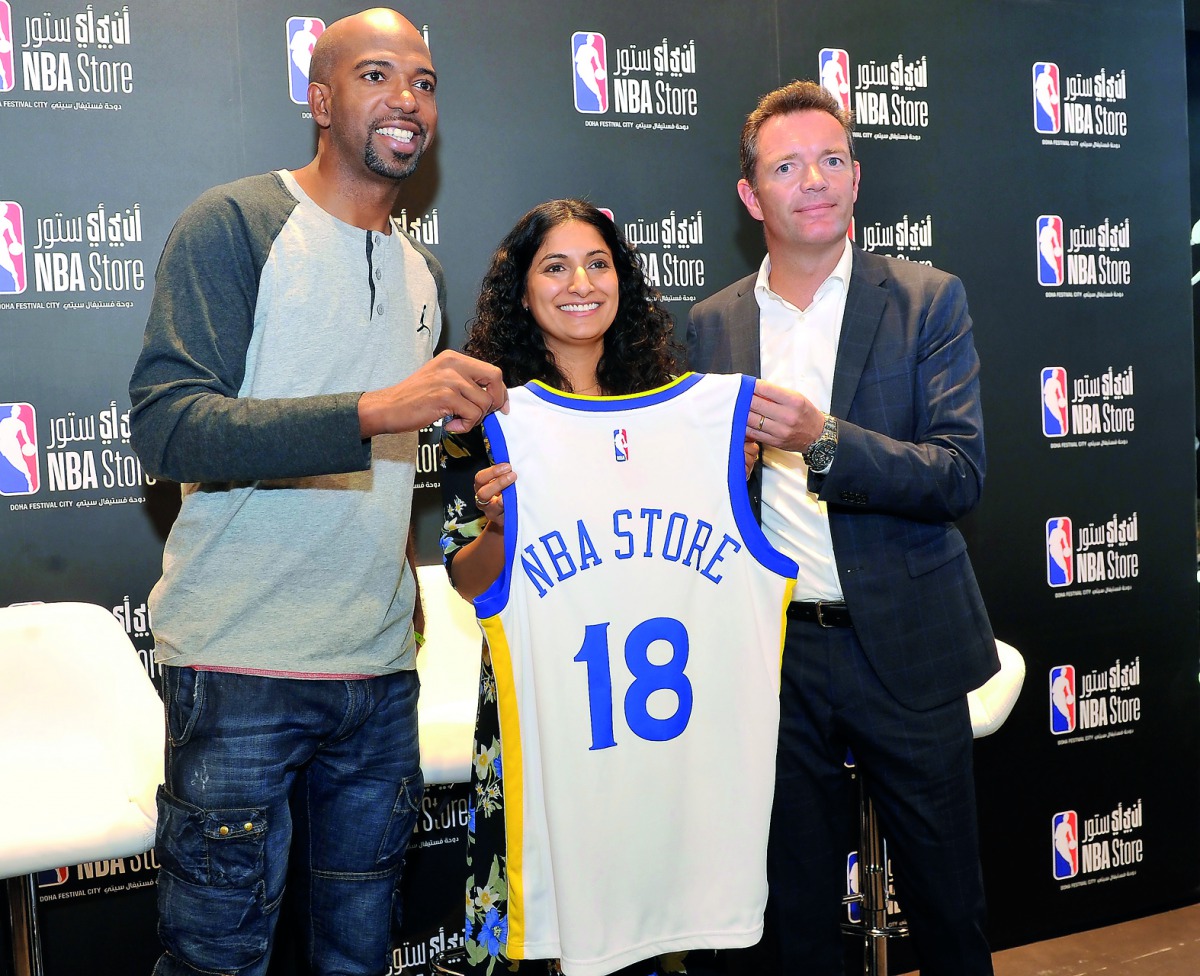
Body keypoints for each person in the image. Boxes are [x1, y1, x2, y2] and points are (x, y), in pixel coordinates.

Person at [128, 10, 505, 976]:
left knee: (357, 958)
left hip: (377, 675)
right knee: (219, 960)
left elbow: (388, 476)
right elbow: (170, 428)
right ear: (322, 98)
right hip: (241, 666)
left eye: (423, 83)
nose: (407, 102)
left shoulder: (424, 274)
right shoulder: (236, 224)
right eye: (377, 76)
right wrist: (379, 408)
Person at [686, 80, 999, 976]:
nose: (812, 180)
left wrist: (819, 440)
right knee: (796, 919)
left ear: (857, 178)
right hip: (777, 656)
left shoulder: (928, 299)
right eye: (786, 166)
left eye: (830, 161)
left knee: (947, 908)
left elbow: (958, 473)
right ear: (752, 198)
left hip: (906, 643)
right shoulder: (713, 324)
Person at [440, 199, 780, 976]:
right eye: (553, 267)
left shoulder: (681, 408)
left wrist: (730, 472)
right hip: (541, 711)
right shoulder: (491, 418)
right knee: (546, 922)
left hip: (659, 739)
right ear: (521, 292)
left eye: (597, 263)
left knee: (648, 929)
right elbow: (469, 581)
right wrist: (499, 525)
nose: (580, 283)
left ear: (621, 279)